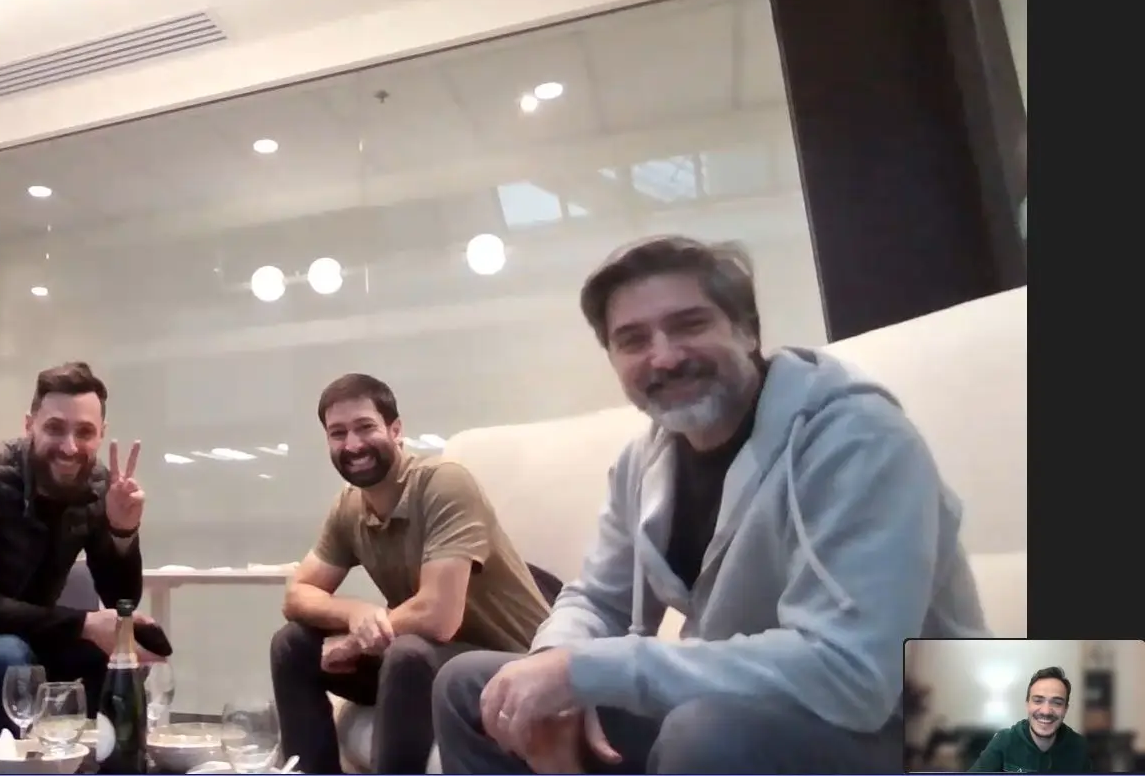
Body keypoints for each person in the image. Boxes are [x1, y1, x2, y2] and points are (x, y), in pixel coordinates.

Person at [433, 235, 989, 775]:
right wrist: (551, 669)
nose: (664, 357)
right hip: (765, 712)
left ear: (747, 330)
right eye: (632, 340)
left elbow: (852, 675)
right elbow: (599, 600)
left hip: (941, 729)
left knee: (707, 733)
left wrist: (587, 671)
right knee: (477, 692)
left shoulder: (859, 439)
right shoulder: (643, 462)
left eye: (689, 325)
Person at [273, 374, 552, 775]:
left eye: (365, 427)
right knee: (292, 645)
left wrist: (354, 642)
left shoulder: (444, 483)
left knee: (407, 653)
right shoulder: (349, 507)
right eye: (338, 433)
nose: (353, 445)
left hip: (510, 663)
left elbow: (438, 617)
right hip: (425, 665)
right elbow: (297, 593)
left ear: (396, 430)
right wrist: (354, 612)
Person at [0, 361, 173, 736]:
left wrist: (123, 530)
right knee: (9, 660)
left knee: (115, 657)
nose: (70, 447)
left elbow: (122, 600)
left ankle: (111, 760)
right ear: (29, 425)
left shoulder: (99, 485)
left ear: (101, 434)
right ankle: (19, 762)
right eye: (55, 428)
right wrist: (85, 624)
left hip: (24, 637)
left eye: (85, 432)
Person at [968, 667, 1091, 773]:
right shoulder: (1004, 741)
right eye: (1038, 701)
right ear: (1027, 704)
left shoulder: (1079, 746)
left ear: (1065, 709)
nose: (1046, 711)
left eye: (1057, 703)